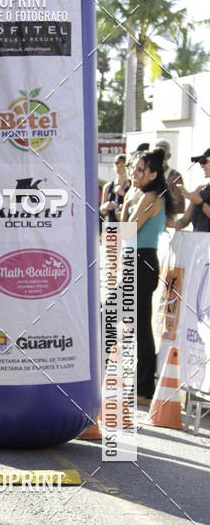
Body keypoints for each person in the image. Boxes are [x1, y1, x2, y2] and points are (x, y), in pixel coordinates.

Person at [121, 147, 175, 403]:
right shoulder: (155, 195)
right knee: (140, 325)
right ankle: (143, 387)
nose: (134, 172)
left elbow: (125, 232)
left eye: (141, 169)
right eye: (134, 167)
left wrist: (125, 203)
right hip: (141, 262)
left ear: (153, 174)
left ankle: (142, 387)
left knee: (107, 315)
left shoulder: (148, 197)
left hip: (141, 263)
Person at [167, 147, 210, 233]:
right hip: (201, 244)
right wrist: (162, 221)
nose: (201, 166)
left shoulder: (199, 197)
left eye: (204, 162)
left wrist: (200, 202)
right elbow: (183, 221)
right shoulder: (201, 190)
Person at [100, 154, 130, 228]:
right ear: (114, 166)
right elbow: (102, 210)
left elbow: (135, 206)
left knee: (128, 239)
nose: (121, 168)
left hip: (128, 225)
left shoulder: (132, 185)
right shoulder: (108, 186)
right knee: (112, 240)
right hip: (112, 225)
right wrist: (105, 206)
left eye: (123, 165)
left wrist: (124, 194)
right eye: (118, 165)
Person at [155, 139, 185, 213]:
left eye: (161, 152)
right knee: (124, 224)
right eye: (155, 152)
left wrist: (158, 206)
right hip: (149, 222)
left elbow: (181, 207)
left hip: (167, 223)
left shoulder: (175, 176)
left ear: (168, 156)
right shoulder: (149, 175)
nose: (158, 156)